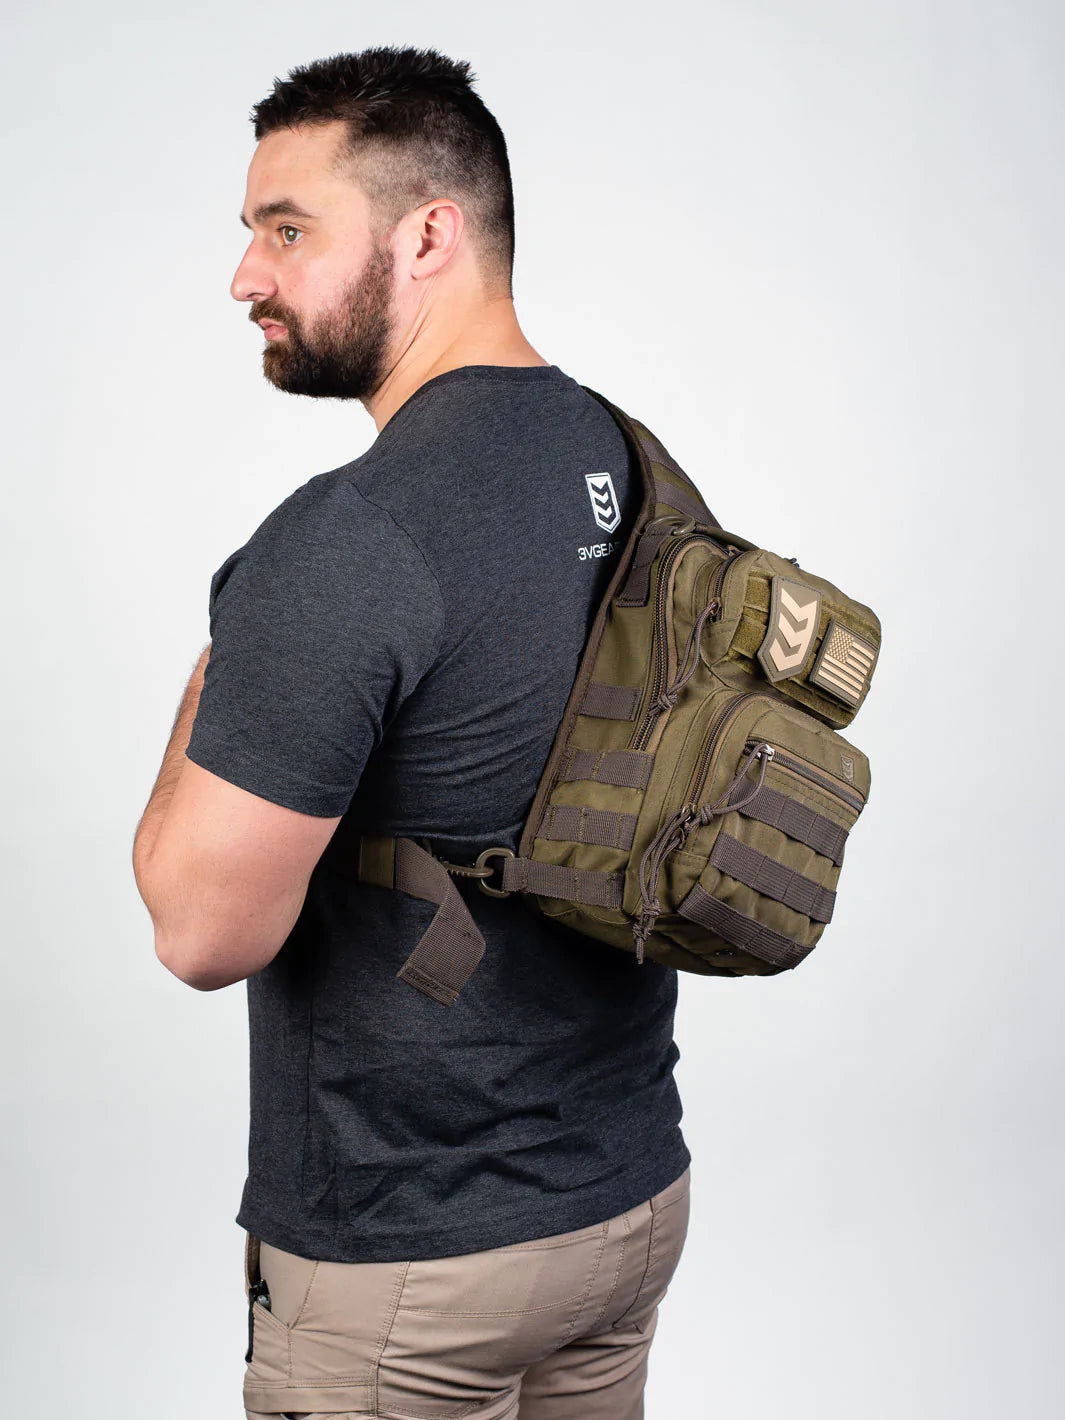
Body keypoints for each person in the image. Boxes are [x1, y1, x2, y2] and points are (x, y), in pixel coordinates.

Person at [133, 46, 691, 1420]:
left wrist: (209, 684)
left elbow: (201, 933)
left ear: (428, 234)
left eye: (288, 230)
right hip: (624, 1203)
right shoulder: (627, 462)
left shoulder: (348, 540)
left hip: (412, 1261)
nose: (245, 276)